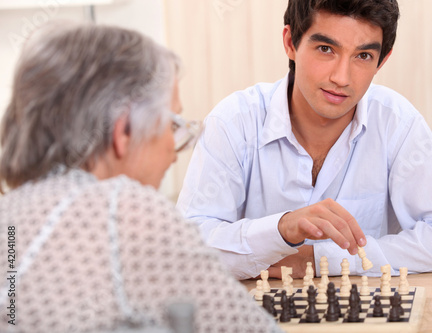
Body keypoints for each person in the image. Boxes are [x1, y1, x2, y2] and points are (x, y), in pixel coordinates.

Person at [177, 0, 432, 280]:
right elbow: (186, 252)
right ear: (290, 43)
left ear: (382, 60)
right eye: (326, 49)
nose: (342, 77)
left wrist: (320, 258)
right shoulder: (234, 121)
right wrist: (281, 230)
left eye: (363, 56)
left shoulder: (396, 121)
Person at [0, 22, 280, 333]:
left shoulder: (10, 212)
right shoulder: (125, 212)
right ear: (123, 131)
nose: (174, 152)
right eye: (171, 126)